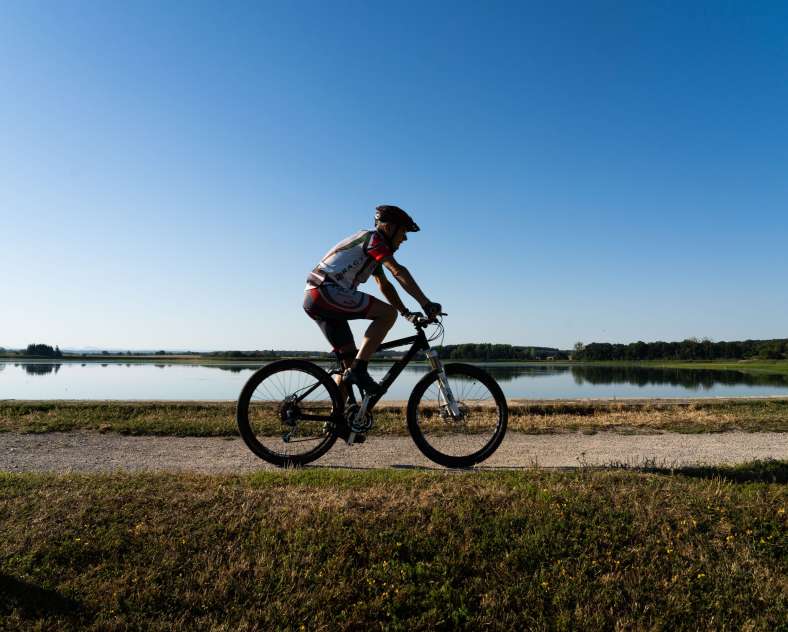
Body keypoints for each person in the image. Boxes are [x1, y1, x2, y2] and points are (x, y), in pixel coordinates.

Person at [303, 205, 442, 399]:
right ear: (389, 228)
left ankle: (338, 420)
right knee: (387, 314)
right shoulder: (373, 239)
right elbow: (397, 271)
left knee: (348, 363)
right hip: (327, 291)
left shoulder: (368, 246)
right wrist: (426, 303)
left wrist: (406, 312)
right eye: (403, 231)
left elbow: (384, 285)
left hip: (316, 297)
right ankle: (360, 370)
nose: (405, 238)